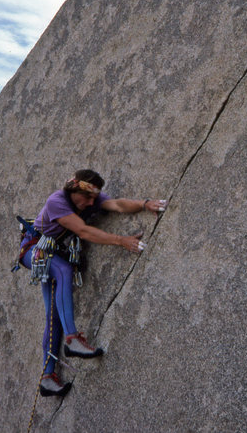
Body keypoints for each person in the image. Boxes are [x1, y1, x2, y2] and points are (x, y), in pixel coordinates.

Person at [18, 169, 167, 397]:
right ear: (74, 189)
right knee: (64, 270)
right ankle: (72, 340)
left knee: (53, 315)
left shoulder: (91, 199)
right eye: (86, 198)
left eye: (93, 199)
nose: (90, 203)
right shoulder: (57, 201)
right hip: (35, 250)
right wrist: (121, 241)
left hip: (53, 253)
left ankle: (47, 376)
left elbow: (117, 205)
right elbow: (83, 231)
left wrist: (144, 204)